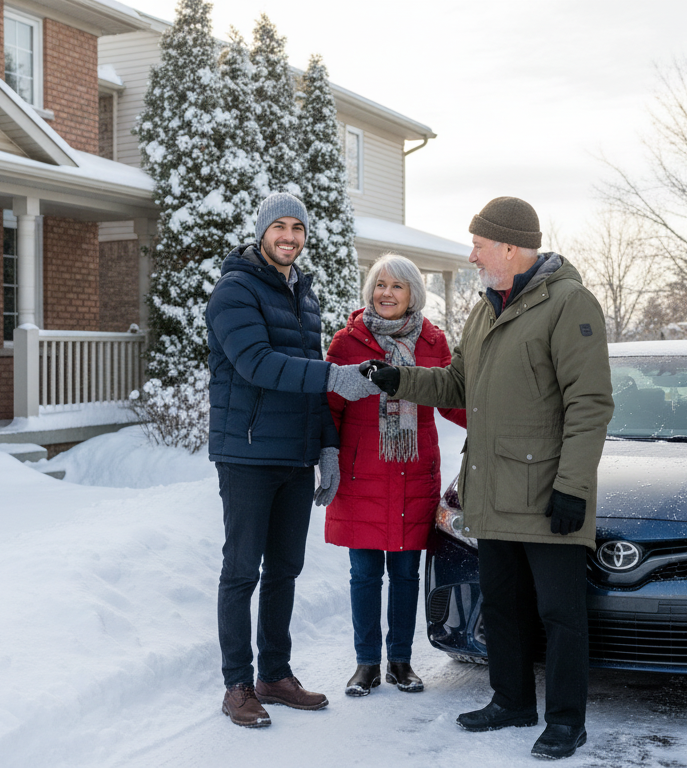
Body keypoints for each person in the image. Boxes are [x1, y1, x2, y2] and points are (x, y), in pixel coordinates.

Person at [366, 197, 613, 760]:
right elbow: (457, 385)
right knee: (501, 603)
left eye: (479, 245)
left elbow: (590, 403)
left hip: (548, 492)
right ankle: (512, 701)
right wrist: (397, 379)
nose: (472, 254)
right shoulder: (484, 310)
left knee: (560, 612)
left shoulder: (569, 303)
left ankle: (567, 721)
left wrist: (573, 487)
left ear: (509, 246)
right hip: (492, 487)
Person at [205, 192, 383, 728]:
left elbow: (308, 380)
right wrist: (333, 376)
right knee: (241, 572)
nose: (289, 236)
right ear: (262, 233)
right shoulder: (234, 291)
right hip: (247, 451)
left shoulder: (305, 296)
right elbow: (258, 364)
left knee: (285, 568)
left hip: (294, 453)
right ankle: (237, 685)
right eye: (279, 226)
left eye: (297, 228)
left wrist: (325, 444)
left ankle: (274, 675)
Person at [323, 253, 467, 697]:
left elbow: (451, 399)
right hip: (361, 474)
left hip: (413, 474)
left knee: (406, 575)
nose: (386, 293)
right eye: (380, 284)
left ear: (413, 294)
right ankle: (366, 663)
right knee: (364, 574)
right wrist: (325, 454)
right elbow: (329, 406)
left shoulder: (433, 342)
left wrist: (497, 424)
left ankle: (400, 663)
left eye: (397, 286)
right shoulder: (346, 343)